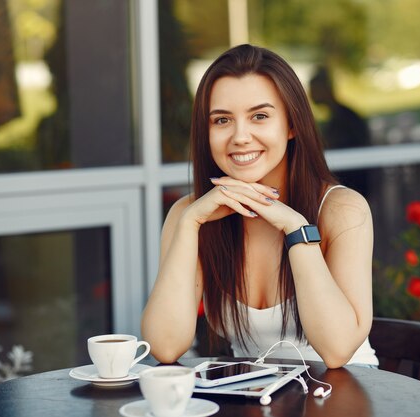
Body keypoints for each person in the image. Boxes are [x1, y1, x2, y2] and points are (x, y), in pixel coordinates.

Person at [141, 44, 377, 368]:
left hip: (343, 395)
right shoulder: (191, 215)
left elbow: (336, 351)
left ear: (292, 125)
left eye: (260, 116)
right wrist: (190, 224)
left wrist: (296, 229)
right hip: (255, 398)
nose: (240, 136)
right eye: (222, 120)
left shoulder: (342, 210)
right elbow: (165, 347)